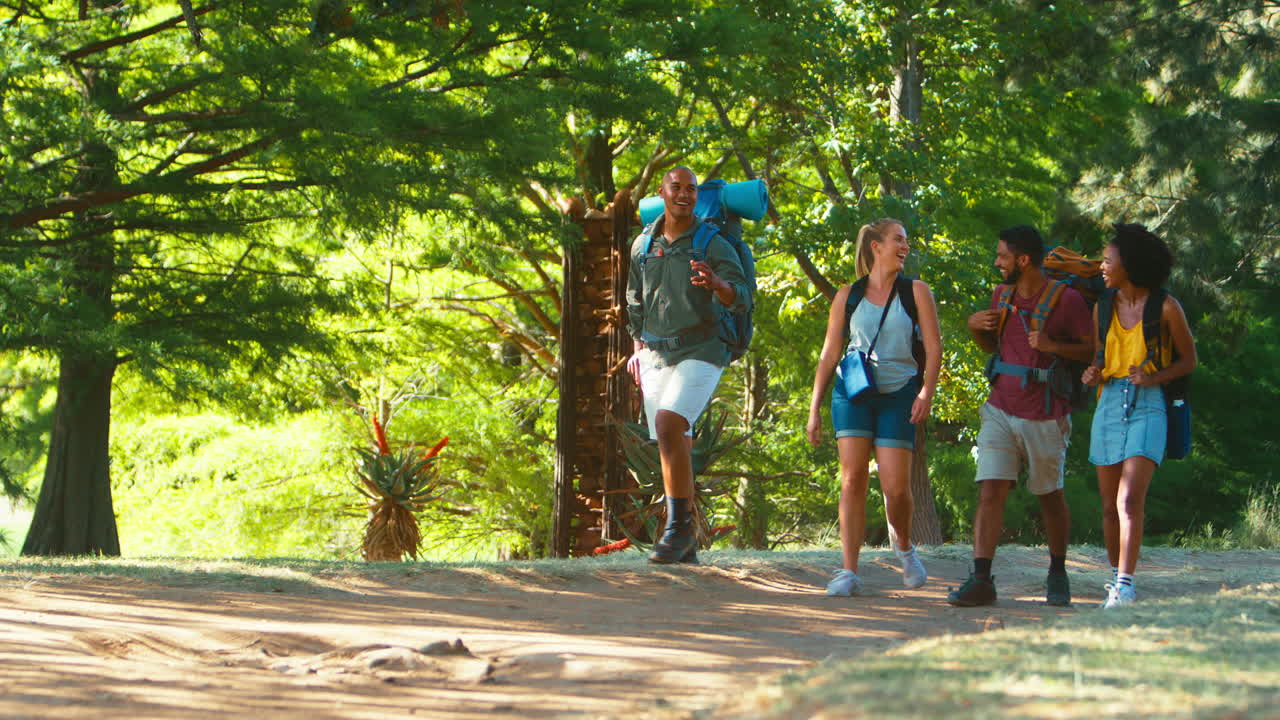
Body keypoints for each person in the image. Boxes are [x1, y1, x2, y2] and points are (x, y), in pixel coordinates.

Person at [948, 226, 1094, 608]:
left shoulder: (1069, 300)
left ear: (1023, 260)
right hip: (999, 407)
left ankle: (1058, 572)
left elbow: (1092, 351)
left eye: (1002, 256)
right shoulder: (1002, 295)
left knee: (1049, 496)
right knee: (990, 489)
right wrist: (974, 329)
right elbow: (991, 346)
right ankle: (981, 579)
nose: (996, 263)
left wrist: (1052, 345)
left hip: (1045, 414)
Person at [806, 218, 942, 596]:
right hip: (854, 392)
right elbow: (830, 352)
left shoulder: (917, 292)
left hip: (899, 393)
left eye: (907, 241)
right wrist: (814, 407)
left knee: (896, 488)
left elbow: (933, 348)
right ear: (876, 247)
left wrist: (925, 393)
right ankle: (848, 571)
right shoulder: (847, 295)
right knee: (851, 480)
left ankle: (905, 547)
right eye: (898, 239)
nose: (905, 246)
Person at [625, 166, 751, 564]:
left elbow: (743, 296)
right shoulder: (642, 245)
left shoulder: (712, 243)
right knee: (672, 440)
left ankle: (676, 530)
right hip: (656, 354)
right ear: (661, 192)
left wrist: (718, 285)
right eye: (675, 187)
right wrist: (637, 348)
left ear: (698, 196)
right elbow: (634, 302)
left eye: (691, 189)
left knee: (668, 424)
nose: (684, 194)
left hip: (704, 349)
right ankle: (687, 539)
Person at [1082, 224, 1196, 609]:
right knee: (1108, 504)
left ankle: (1126, 586)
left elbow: (1189, 361)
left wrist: (1153, 377)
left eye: (1109, 259)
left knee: (1129, 500)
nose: (1102, 265)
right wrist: (1093, 371)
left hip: (1149, 404)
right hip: (1109, 403)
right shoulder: (1102, 307)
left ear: (1128, 264)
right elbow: (1100, 357)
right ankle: (1115, 581)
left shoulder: (1165, 307)